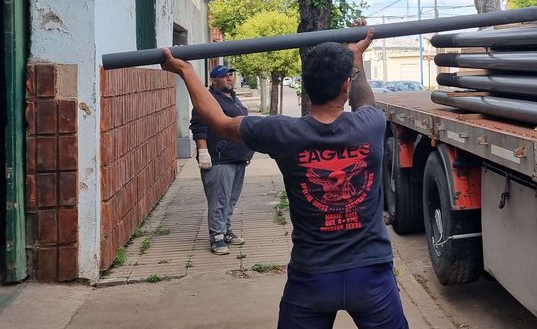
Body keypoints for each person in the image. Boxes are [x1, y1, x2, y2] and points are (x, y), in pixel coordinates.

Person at [162, 29, 408, 329]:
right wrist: (356, 57)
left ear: (304, 87)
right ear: (346, 84)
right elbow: (365, 98)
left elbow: (218, 121)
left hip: (312, 277)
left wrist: (185, 71)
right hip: (371, 276)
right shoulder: (370, 124)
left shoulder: (283, 133)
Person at [190, 64, 253, 255]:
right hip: (219, 159)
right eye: (224, 76)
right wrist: (203, 151)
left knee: (231, 199)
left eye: (231, 75)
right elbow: (199, 126)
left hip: (238, 158)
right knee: (219, 199)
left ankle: (226, 230)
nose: (230, 78)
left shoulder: (233, 98)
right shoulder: (208, 101)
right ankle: (216, 236)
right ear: (214, 80)